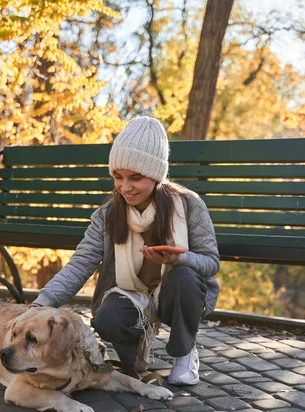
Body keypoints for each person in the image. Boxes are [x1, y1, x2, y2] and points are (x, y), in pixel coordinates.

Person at [31, 116, 220, 385]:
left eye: (135, 178)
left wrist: (181, 258)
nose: (125, 187)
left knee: (185, 277)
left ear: (156, 176)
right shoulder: (108, 214)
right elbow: (80, 263)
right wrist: (42, 303)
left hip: (173, 295)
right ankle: (133, 358)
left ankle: (185, 352)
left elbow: (211, 262)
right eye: (118, 177)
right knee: (107, 319)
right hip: (129, 295)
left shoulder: (188, 205)